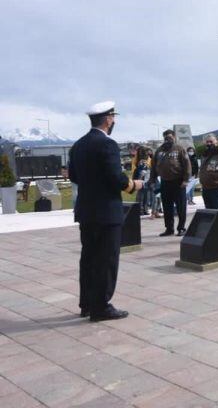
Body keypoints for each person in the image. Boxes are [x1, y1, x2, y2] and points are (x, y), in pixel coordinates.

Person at [69, 101, 141, 322]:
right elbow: (115, 177)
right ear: (109, 119)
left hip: (86, 211)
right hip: (107, 212)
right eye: (113, 118)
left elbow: (73, 177)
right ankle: (101, 306)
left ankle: (87, 303)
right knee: (106, 259)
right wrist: (133, 185)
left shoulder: (78, 145)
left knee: (89, 258)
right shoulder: (107, 144)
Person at [150, 129, 191, 236]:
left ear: (174, 137)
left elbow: (187, 165)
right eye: (166, 138)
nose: (168, 139)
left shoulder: (179, 149)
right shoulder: (159, 150)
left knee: (180, 206)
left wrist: (186, 180)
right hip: (165, 182)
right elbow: (153, 166)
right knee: (167, 207)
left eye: (170, 137)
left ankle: (181, 228)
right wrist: (152, 180)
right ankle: (169, 228)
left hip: (178, 182)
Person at [133, 147, 152, 215]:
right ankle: (141, 209)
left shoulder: (145, 160)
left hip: (144, 179)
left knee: (144, 195)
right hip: (142, 179)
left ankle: (143, 209)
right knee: (142, 195)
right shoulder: (141, 161)